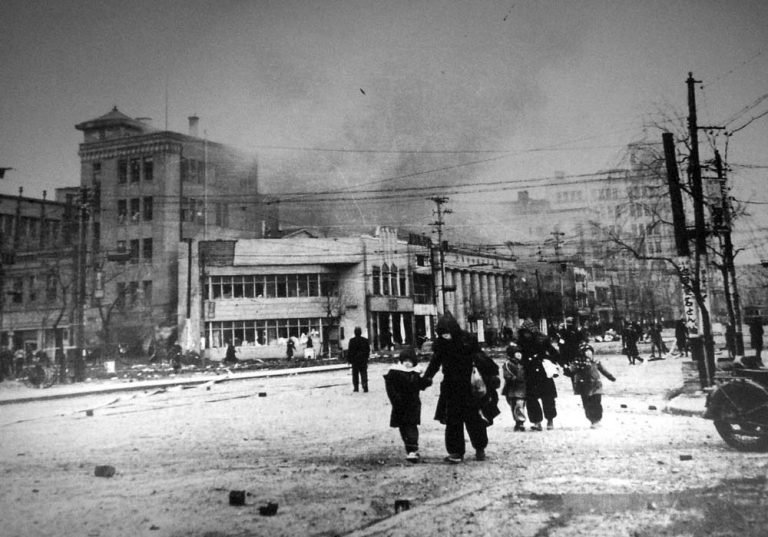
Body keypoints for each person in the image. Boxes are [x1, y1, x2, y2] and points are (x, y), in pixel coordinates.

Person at [422, 313, 489, 464]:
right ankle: (455, 452)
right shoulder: (441, 344)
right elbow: (435, 362)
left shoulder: (468, 340)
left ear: (453, 330)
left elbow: (481, 359)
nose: (445, 336)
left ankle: (480, 448)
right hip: (451, 387)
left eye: (446, 332)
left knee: (474, 419)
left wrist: (489, 377)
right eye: (442, 333)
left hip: (469, 386)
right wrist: (427, 377)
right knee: (453, 421)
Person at [383, 347, 431, 463]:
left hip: (412, 404)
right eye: (405, 361)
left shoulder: (415, 372)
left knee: (411, 426)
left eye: (410, 361)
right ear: (401, 361)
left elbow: (421, 385)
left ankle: (413, 450)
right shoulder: (394, 372)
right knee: (403, 427)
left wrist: (427, 380)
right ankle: (409, 449)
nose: (407, 364)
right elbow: (390, 389)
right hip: (399, 404)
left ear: (414, 362)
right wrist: (395, 399)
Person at [517, 319, 561, 431]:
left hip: (543, 372)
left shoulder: (542, 340)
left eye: (527, 332)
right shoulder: (521, 342)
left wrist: (554, 361)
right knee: (531, 398)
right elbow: (515, 351)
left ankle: (550, 420)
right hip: (529, 372)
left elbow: (553, 353)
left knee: (548, 397)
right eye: (524, 332)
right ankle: (536, 422)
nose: (525, 334)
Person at [568, 343, 616, 428]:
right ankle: (592, 420)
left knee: (597, 402)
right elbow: (571, 371)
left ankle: (597, 419)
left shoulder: (596, 362)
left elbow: (603, 370)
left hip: (596, 385)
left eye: (590, 352)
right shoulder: (578, 363)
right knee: (587, 404)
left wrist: (610, 377)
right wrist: (570, 368)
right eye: (587, 352)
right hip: (584, 386)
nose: (589, 354)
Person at [501, 343, 527, 431]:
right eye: (517, 353)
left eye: (520, 352)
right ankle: (517, 421)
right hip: (511, 388)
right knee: (513, 406)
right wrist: (511, 377)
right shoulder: (508, 364)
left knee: (520, 405)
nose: (519, 354)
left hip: (522, 388)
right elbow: (506, 375)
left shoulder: (524, 364)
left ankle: (520, 422)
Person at [347, 326, 370, 392]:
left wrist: (349, 360)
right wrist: (366, 358)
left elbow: (350, 351)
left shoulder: (352, 341)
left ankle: (356, 387)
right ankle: (365, 385)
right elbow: (367, 350)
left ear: (355, 333)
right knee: (363, 373)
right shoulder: (365, 340)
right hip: (363, 360)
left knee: (355, 375)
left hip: (355, 361)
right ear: (361, 332)